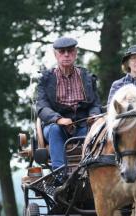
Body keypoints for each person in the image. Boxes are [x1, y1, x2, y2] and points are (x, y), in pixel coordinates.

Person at [36, 37, 102, 170]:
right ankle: (60, 174)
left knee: (98, 131)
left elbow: (95, 103)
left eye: (70, 51)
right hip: (56, 126)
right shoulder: (45, 79)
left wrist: (94, 115)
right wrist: (58, 119)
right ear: (55, 55)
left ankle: (88, 171)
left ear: (75, 53)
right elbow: (42, 107)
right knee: (54, 130)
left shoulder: (88, 77)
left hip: (83, 125)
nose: (66, 54)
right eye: (62, 51)